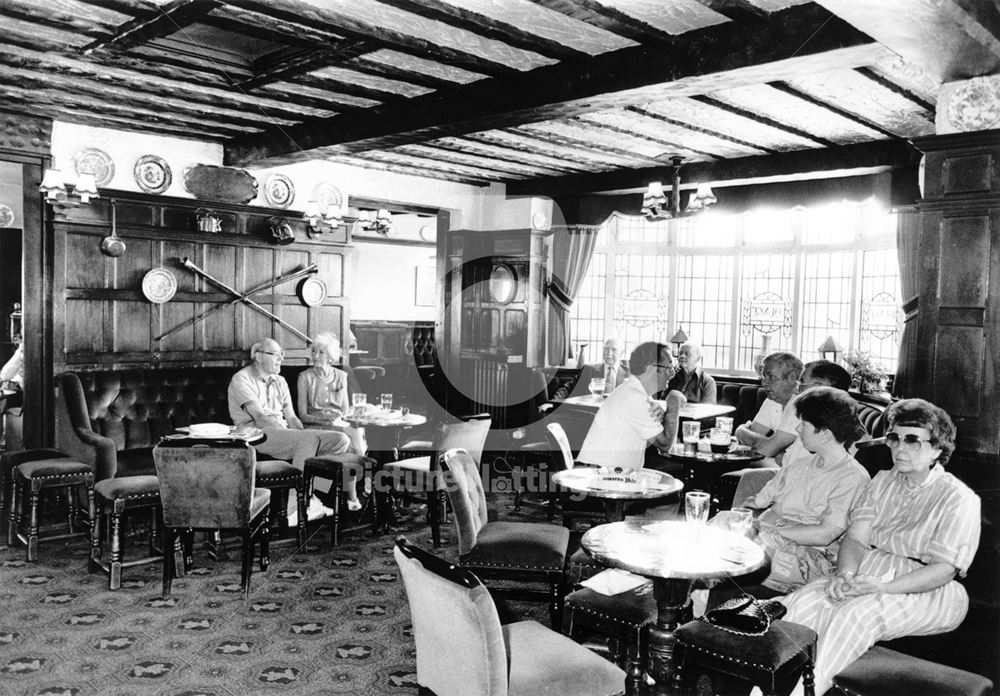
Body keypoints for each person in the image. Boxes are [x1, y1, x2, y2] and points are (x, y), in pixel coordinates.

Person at [778, 398, 981, 696]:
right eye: (894, 438)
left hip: (928, 587)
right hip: (871, 568)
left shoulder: (958, 498)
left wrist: (883, 588)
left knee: (853, 615)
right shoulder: (882, 481)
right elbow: (856, 539)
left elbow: (942, 570)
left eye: (913, 441)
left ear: (938, 449)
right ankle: (763, 687)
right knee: (803, 602)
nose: (899, 448)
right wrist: (844, 575)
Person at [735, 387, 870, 593]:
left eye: (804, 424)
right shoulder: (800, 465)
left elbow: (825, 534)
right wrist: (749, 523)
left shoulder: (852, 477)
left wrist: (765, 533)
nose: (797, 429)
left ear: (824, 434)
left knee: (737, 556)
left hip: (814, 556)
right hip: (775, 542)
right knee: (718, 533)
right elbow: (773, 508)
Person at [228, 337, 361, 512]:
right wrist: (298, 436)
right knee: (308, 441)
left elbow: (291, 417)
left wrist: (300, 432)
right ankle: (294, 507)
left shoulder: (280, 381)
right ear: (258, 356)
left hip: (281, 432)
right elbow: (259, 417)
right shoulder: (242, 379)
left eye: (282, 354)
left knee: (340, 439)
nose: (281, 358)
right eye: (275, 354)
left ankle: (313, 494)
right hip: (256, 434)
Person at [576, 341, 685, 473]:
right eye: (668, 368)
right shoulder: (634, 398)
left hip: (610, 472)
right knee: (678, 471)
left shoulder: (634, 391)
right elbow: (665, 445)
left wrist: (663, 415)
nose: (672, 374)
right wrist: (674, 401)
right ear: (650, 368)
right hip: (603, 478)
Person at [297, 332, 367, 456]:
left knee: (355, 430)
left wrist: (342, 418)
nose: (315, 356)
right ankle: (362, 468)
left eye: (321, 352)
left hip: (339, 421)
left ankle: (356, 469)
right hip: (315, 424)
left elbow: (345, 409)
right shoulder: (304, 377)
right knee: (353, 433)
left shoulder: (341, 376)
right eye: (313, 351)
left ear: (331, 356)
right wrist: (324, 420)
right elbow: (302, 415)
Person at [734, 351, 806, 468]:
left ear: (792, 379)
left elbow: (768, 449)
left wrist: (740, 430)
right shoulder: (772, 400)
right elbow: (753, 435)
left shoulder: (800, 403)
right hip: (781, 466)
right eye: (764, 377)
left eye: (771, 377)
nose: (764, 383)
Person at [554, 336, 629, 400]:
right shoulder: (588, 370)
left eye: (614, 350)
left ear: (622, 353)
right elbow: (568, 388)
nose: (608, 353)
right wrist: (553, 402)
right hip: (591, 413)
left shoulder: (631, 374)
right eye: (606, 349)